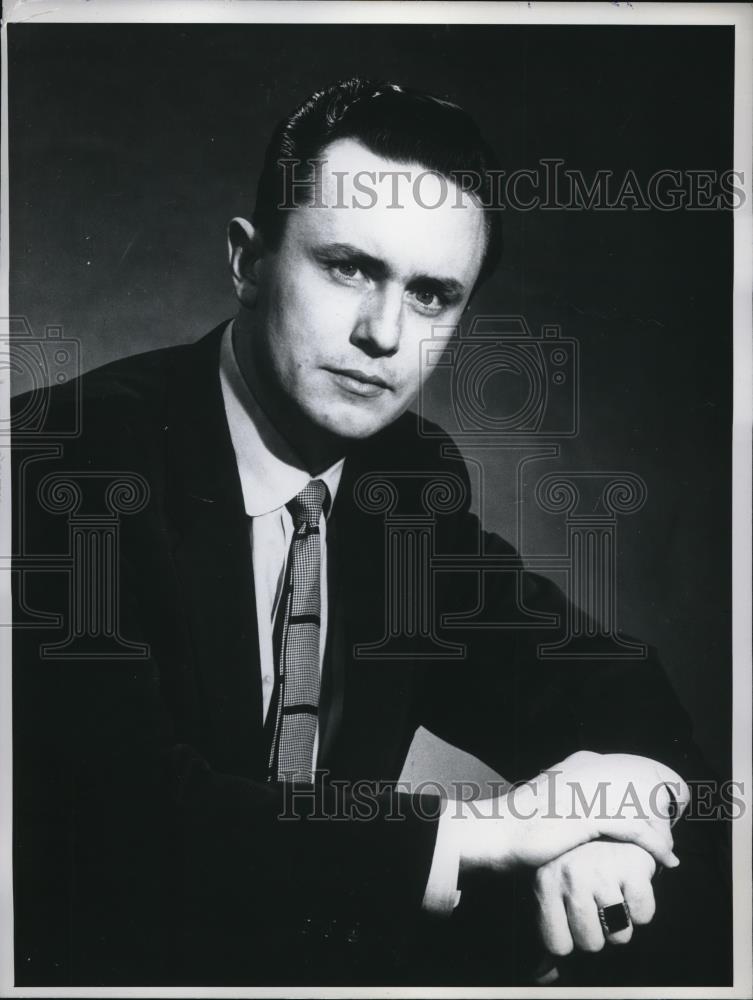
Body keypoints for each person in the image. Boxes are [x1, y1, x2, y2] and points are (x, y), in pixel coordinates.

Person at [12, 78, 730, 987]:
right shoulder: (62, 462)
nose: (383, 333)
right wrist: (489, 833)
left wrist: (602, 833)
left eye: (431, 296)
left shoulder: (405, 485)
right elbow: (122, 828)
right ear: (247, 260)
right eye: (349, 266)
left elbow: (612, 688)